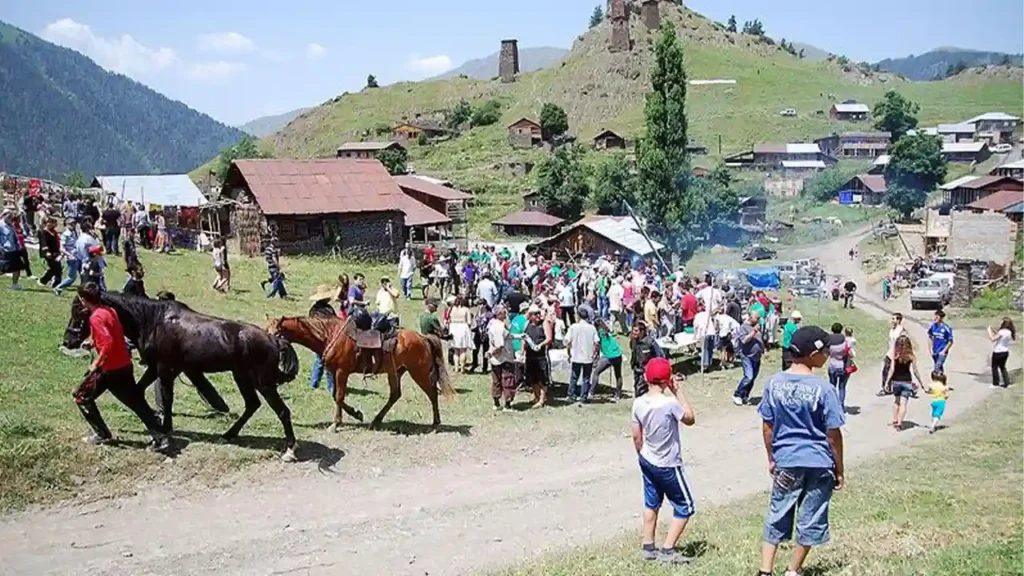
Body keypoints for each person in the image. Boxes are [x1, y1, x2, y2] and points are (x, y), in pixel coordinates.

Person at [756, 325, 845, 576]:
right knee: (812, 516)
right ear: (813, 354)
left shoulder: (773, 384)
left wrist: (772, 457)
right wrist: (839, 469)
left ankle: (765, 570)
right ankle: (793, 570)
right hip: (819, 463)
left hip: (786, 460)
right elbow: (833, 434)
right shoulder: (824, 389)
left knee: (778, 511)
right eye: (826, 350)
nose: (828, 354)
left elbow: (767, 426)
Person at [72, 282, 170, 452]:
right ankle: (160, 436)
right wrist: (93, 342)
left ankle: (102, 434)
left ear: (83, 300)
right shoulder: (109, 311)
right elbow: (114, 333)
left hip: (109, 370)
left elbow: (108, 343)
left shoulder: (95, 317)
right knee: (136, 402)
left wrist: (96, 363)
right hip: (124, 364)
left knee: (81, 396)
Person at [631, 358, 696, 565]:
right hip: (668, 463)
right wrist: (678, 392)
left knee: (652, 502)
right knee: (685, 506)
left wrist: (642, 454)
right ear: (668, 380)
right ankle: (667, 550)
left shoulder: (638, 402)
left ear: (645, 377)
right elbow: (690, 419)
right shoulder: (669, 403)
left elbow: (636, 435)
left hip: (647, 459)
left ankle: (648, 546)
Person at [884, 334, 923, 431]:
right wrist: (921, 383)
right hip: (907, 382)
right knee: (903, 403)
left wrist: (886, 382)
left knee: (896, 401)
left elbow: (891, 370)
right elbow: (915, 371)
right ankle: (899, 423)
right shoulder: (911, 356)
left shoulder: (895, 356)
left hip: (896, 382)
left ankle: (894, 419)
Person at [565, 306, 600, 403]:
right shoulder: (592, 328)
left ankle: (571, 395)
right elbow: (597, 342)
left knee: (574, 377)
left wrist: (569, 353)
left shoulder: (573, 327)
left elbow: (567, 341)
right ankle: (583, 396)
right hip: (588, 356)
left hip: (576, 355)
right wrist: (595, 354)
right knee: (586, 378)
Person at [308, 286, 339, 395]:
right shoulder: (326, 310)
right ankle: (331, 388)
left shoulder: (314, 310)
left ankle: (314, 384)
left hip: (320, 339)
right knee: (328, 363)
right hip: (325, 339)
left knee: (319, 361)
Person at [487, 305, 517, 411]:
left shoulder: (492, 323)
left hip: (496, 359)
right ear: (499, 314)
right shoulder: (500, 326)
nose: (506, 314)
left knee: (496, 379)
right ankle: (507, 404)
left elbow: (507, 336)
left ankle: (496, 403)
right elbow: (499, 344)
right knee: (507, 379)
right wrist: (493, 352)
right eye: (504, 312)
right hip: (504, 357)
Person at [733, 310, 765, 406]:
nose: (759, 320)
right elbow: (744, 340)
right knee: (748, 376)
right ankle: (737, 394)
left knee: (753, 378)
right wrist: (753, 332)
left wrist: (763, 349)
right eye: (757, 318)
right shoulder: (744, 327)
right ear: (751, 318)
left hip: (756, 356)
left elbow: (760, 339)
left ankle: (745, 395)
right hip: (746, 355)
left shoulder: (758, 327)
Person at [522, 305, 552, 407]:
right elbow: (524, 338)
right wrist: (522, 350)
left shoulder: (544, 324)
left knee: (542, 378)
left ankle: (542, 399)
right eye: (535, 314)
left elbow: (549, 338)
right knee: (532, 378)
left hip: (541, 355)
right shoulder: (527, 324)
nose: (538, 316)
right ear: (531, 316)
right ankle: (536, 396)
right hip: (530, 355)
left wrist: (540, 345)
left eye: (538, 313)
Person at [592, 319, 625, 401]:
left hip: (609, 356)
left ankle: (591, 391)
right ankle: (618, 394)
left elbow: (597, 345)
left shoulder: (598, 333)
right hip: (618, 354)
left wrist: (595, 355)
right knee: (618, 375)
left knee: (596, 372)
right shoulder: (607, 331)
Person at [629, 321, 663, 398]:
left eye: (636, 331)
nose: (634, 332)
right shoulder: (633, 341)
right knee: (637, 389)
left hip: (647, 371)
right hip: (637, 370)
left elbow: (659, 355)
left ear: (642, 332)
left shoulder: (650, 342)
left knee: (644, 392)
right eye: (633, 330)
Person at [878, 313, 908, 396]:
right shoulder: (891, 330)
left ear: (898, 320)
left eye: (893, 319)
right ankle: (885, 388)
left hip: (897, 354)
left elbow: (904, 343)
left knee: (897, 372)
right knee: (885, 371)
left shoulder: (902, 330)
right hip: (890, 353)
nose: (892, 321)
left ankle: (901, 387)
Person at [826, 323, 851, 412]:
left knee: (832, 386)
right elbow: (849, 353)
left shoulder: (828, 342)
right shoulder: (845, 342)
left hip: (832, 366)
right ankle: (841, 406)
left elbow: (826, 352)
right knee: (842, 387)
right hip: (842, 366)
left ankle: (832, 405)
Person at [447, 296, 475, 373]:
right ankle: (462, 368)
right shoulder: (466, 310)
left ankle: (456, 367)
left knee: (456, 350)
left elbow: (448, 319)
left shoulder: (451, 309)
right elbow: (469, 322)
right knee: (463, 350)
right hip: (463, 327)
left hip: (453, 327)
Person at [0, 211, 27, 290]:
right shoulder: (1, 225)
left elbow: (15, 237)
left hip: (14, 249)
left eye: (11, 217)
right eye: (9, 216)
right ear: (4, 215)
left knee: (17, 267)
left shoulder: (11, 225)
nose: (10, 218)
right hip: (5, 250)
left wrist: (19, 245)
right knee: (3, 269)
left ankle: (14, 285)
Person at [54, 218, 80, 295]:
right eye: (71, 224)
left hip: (77, 256)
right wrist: (68, 255)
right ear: (67, 225)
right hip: (71, 258)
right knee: (71, 278)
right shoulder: (65, 235)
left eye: (74, 223)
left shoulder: (75, 233)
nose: (73, 225)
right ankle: (58, 287)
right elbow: (61, 248)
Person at [988, 317, 1016, 388]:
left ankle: (995, 383)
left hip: (998, 352)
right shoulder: (1010, 332)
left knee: (994, 367)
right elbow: (1000, 336)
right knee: (1003, 367)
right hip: (1005, 352)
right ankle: (1006, 382)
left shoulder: (1002, 332)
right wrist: (993, 330)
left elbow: (993, 339)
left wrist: (989, 331)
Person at [37, 217, 63, 289]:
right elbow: (43, 242)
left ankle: (54, 281)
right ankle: (45, 281)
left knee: (57, 267)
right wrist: (46, 252)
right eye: (50, 222)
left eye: (53, 223)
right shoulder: (42, 231)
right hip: (48, 253)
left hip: (56, 252)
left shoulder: (54, 231)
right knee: (55, 267)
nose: (52, 224)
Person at [927, 310, 953, 375]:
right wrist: (930, 349)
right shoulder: (933, 326)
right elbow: (930, 337)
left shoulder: (946, 328)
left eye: (937, 317)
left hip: (942, 351)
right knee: (939, 368)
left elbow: (950, 341)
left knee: (937, 367)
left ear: (941, 318)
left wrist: (944, 351)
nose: (935, 318)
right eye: (935, 316)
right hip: (935, 351)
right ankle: (941, 381)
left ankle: (936, 381)